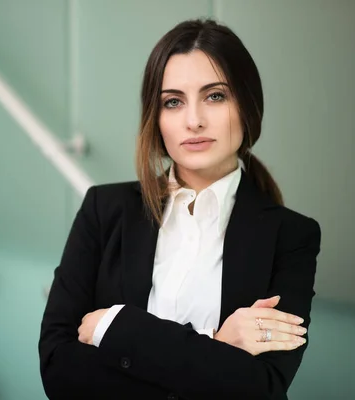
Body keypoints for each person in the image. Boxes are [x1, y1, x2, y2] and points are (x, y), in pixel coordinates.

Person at [39, 18, 321, 400]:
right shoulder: (104, 210)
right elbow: (59, 370)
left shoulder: (291, 237)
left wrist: (117, 326)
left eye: (215, 96)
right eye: (173, 102)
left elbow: (262, 389)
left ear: (248, 105)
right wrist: (217, 345)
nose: (193, 120)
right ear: (156, 120)